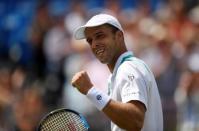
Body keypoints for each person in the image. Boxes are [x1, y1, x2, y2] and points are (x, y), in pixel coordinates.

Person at [71, 14, 163, 131]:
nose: (94, 44)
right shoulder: (121, 71)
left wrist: (91, 91)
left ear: (119, 36)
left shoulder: (128, 68)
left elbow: (135, 121)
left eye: (100, 36)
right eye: (90, 40)